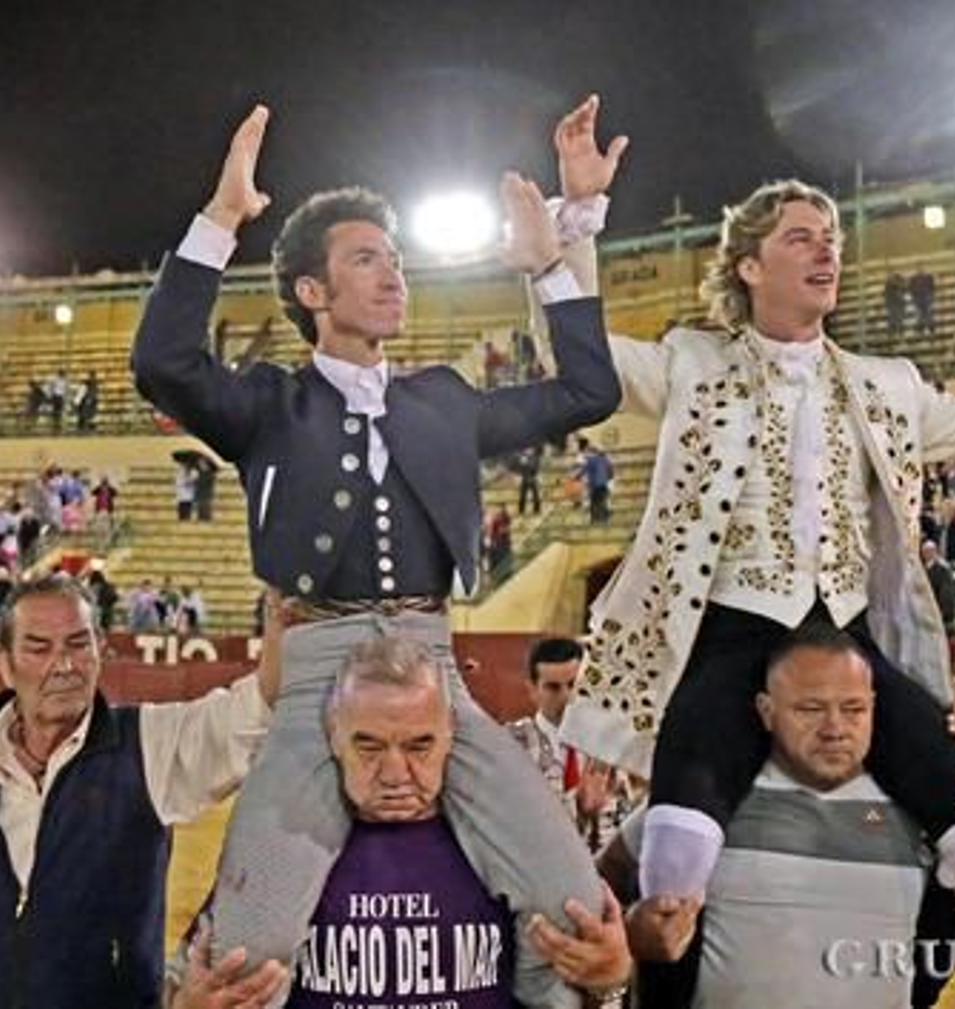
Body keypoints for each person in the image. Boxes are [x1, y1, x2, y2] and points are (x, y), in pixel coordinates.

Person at [547, 143, 955, 922]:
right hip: (730, 631)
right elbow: (580, 361)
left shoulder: (887, 384)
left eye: (831, 237)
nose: (826, 249)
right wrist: (579, 220)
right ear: (748, 266)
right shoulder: (689, 361)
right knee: (676, 860)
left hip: (849, 637)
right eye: (800, 237)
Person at [130, 98, 622, 988]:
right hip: (315, 674)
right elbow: (163, 363)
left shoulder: (444, 399)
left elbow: (589, 392)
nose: (393, 273)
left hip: (434, 671)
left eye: (395, 259)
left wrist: (552, 260)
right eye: (366, 259)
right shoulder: (269, 405)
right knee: (247, 949)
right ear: (312, 293)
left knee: (573, 906)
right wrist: (223, 218)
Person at [0, 575, 283, 1008]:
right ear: (5, 664)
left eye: (78, 644)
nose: (63, 666)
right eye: (39, 648)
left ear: (100, 650)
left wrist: (284, 609)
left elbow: (254, 713)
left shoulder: (148, 743)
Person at [171, 637, 631, 1008]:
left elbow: (577, 994)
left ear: (452, 734)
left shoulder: (507, 845)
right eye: (369, 746)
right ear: (333, 736)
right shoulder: (280, 855)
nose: (394, 774)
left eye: (419, 746)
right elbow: (183, 982)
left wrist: (610, 981)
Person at [599, 627, 933, 1008]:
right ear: (766, 710)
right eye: (810, 709)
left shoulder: (916, 810)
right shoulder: (710, 806)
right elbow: (603, 880)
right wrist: (632, 930)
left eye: (854, 709)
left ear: (873, 707)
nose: (835, 729)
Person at [508, 638, 630, 854]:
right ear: (532, 690)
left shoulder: (607, 744)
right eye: (553, 687)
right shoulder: (510, 745)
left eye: (574, 685)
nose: (566, 697)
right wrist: (577, 807)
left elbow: (623, 822)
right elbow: (512, 823)